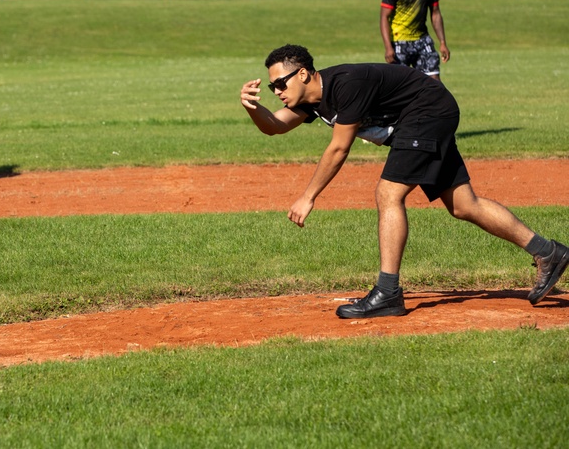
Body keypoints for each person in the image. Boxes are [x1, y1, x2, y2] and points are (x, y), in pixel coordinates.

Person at [239, 44, 567, 319]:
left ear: (303, 74)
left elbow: (339, 148)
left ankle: (388, 292)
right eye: (272, 88)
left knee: (388, 194)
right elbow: (274, 126)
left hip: (426, 111)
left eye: (280, 83)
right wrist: (253, 107)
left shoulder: (346, 85)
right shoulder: (311, 100)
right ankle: (548, 251)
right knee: (465, 205)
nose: (277, 91)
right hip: (426, 114)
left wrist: (308, 196)